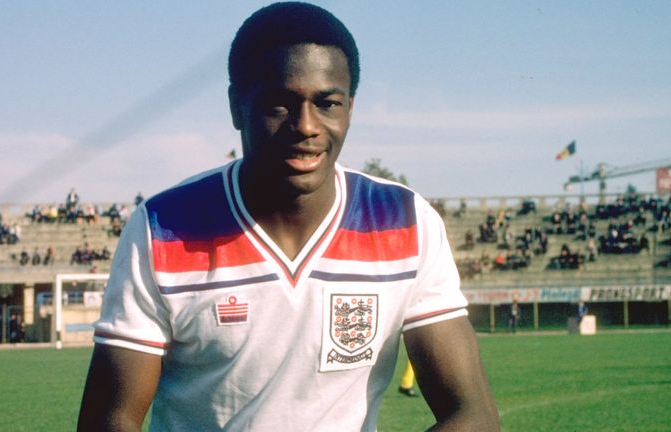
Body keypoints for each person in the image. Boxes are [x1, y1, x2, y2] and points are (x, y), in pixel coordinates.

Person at [78, 3, 499, 431]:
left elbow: (473, 414)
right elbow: (110, 418)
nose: (306, 126)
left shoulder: (406, 223)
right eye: (279, 105)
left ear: (350, 107)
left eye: (327, 104)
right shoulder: (163, 228)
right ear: (236, 106)